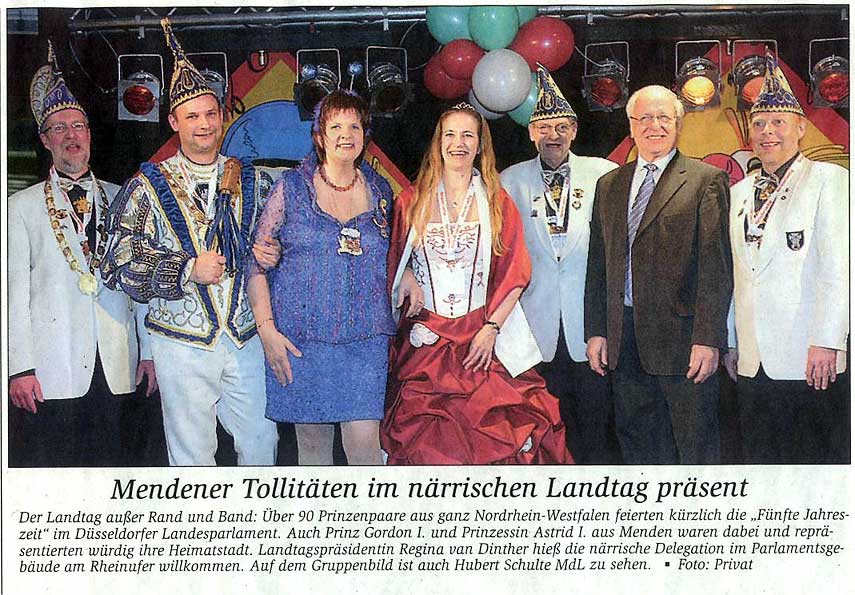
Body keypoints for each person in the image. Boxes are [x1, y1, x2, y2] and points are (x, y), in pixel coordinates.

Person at [101, 19, 278, 466]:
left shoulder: (254, 180)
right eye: (193, 116)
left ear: (223, 117)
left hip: (245, 336)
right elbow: (116, 261)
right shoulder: (147, 186)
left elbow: (282, 244)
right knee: (192, 455)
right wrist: (185, 270)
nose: (204, 124)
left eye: (211, 114)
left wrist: (274, 254)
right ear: (173, 121)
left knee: (262, 443)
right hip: (180, 341)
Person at [381, 102, 572, 465]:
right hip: (428, 346)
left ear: (481, 143)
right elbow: (390, 258)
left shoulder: (498, 202)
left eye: (468, 135)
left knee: (504, 435)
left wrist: (491, 329)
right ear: (438, 142)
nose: (459, 143)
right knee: (428, 446)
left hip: (483, 339)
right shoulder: (410, 201)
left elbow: (516, 274)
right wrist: (405, 274)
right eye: (450, 135)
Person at [8, 42, 156, 467]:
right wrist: (19, 368)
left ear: (89, 134)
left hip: (118, 363)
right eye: (59, 128)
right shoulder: (19, 208)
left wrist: (149, 352)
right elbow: (13, 297)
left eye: (78, 125)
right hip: (52, 371)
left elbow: (140, 285)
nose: (71, 136)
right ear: (44, 140)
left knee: (114, 469)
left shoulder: (124, 198)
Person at [245, 90, 395, 465]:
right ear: (319, 136)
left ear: (365, 135)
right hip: (302, 340)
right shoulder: (290, 188)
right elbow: (256, 266)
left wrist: (406, 272)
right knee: (312, 449)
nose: (346, 135)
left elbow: (395, 252)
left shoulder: (381, 191)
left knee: (365, 447)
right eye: (336, 126)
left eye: (355, 126)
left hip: (365, 340)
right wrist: (267, 332)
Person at [584, 85, 732, 465]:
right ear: (631, 126)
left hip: (684, 345)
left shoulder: (706, 180)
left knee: (696, 451)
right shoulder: (609, 185)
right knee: (639, 450)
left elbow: (715, 269)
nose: (655, 126)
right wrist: (597, 330)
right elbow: (599, 265)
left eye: (664, 117)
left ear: (678, 124)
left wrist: (707, 339)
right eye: (645, 118)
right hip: (623, 341)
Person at [723, 53, 849, 464]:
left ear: (800, 128)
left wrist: (827, 341)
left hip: (808, 356)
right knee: (761, 465)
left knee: (811, 468)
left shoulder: (829, 180)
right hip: (753, 358)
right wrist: (732, 341)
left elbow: (838, 268)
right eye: (759, 123)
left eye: (778, 122)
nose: (767, 132)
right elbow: (738, 275)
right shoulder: (739, 192)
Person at [501, 65, 620, 464]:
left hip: (590, 329)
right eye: (544, 127)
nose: (553, 135)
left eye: (561, 127)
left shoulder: (605, 174)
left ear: (575, 131)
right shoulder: (508, 181)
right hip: (535, 329)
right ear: (531, 133)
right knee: (544, 431)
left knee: (595, 430)